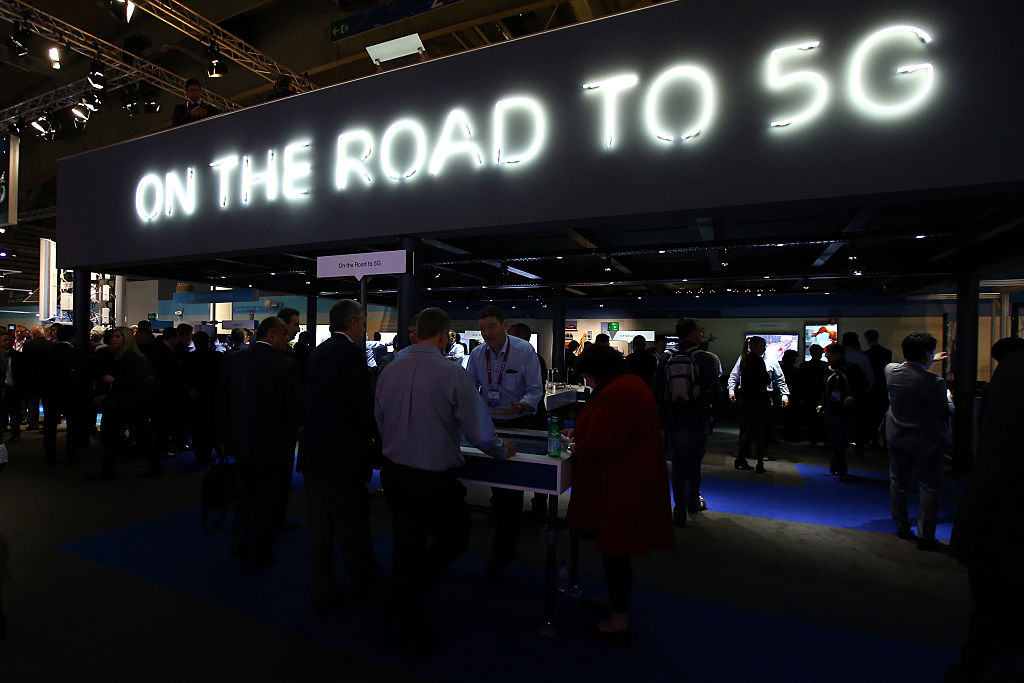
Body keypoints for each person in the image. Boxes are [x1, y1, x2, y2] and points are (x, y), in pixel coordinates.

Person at [374, 307, 515, 654]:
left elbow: (379, 418)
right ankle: (408, 601)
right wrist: (501, 451)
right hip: (433, 479)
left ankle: (402, 603)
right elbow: (480, 431)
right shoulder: (451, 373)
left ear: (417, 332)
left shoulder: (389, 371)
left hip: (394, 473)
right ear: (443, 335)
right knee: (453, 538)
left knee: (407, 542)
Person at [565, 344, 673, 643]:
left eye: (587, 375)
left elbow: (603, 444)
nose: (586, 381)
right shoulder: (627, 385)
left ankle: (618, 619)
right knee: (615, 550)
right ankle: (612, 600)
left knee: (616, 549)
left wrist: (576, 445)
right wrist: (581, 433)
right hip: (624, 480)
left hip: (621, 484)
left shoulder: (620, 392)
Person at [301, 300, 380, 613]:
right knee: (353, 526)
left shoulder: (317, 352)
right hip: (343, 458)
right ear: (353, 324)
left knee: (320, 529)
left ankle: (324, 588)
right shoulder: (350, 354)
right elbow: (361, 405)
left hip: (315, 454)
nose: (363, 329)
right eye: (362, 323)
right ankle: (363, 585)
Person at [955, 338, 1024, 680]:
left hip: (992, 511)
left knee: (990, 605)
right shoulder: (1015, 373)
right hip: (1003, 514)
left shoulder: (1010, 374)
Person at [216, 316, 302, 569]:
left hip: (241, 440)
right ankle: (260, 548)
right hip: (274, 444)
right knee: (268, 496)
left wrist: (221, 438)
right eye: (285, 336)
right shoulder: (285, 365)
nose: (288, 341)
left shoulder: (233, 360)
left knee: (245, 492)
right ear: (272, 335)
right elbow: (294, 408)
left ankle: (241, 541)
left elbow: (221, 403)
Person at [466, 305, 543, 578]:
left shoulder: (524, 351)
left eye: (492, 327)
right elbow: (469, 389)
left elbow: (536, 389)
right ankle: (504, 540)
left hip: (519, 423)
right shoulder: (476, 354)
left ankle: (504, 548)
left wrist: (521, 406)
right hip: (491, 424)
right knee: (499, 490)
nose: (487, 333)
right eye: (483, 328)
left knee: (512, 489)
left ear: (504, 325)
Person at [884, 332, 953, 551]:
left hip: (897, 437)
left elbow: (907, 369)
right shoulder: (936, 383)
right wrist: (950, 399)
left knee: (898, 483)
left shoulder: (891, 372)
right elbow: (944, 412)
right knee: (929, 487)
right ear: (927, 353)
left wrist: (928, 360)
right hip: (927, 441)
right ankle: (926, 535)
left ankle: (901, 525)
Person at [653, 318, 722, 526]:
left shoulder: (666, 358)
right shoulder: (704, 358)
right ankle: (693, 500)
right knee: (695, 463)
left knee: (678, 464)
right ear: (693, 333)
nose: (702, 334)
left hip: (674, 419)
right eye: (700, 331)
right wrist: (704, 405)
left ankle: (679, 509)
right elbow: (717, 391)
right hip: (698, 418)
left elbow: (656, 390)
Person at [94, 326, 153, 478]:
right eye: (114, 336)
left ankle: (108, 470)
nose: (114, 339)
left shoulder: (129, 357)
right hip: (125, 403)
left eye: (118, 337)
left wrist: (115, 381)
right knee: (132, 436)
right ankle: (153, 467)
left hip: (129, 404)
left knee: (126, 436)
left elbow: (136, 381)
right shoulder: (120, 357)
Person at [508, 322, 551, 520]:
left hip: (531, 420)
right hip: (523, 420)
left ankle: (539, 507)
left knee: (537, 465)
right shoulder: (533, 358)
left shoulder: (532, 359)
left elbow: (532, 391)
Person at [728, 336, 790, 472]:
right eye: (762, 346)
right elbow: (768, 379)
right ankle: (759, 460)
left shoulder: (744, 359)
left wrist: (732, 390)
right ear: (753, 346)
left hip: (746, 398)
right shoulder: (759, 361)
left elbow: (736, 376)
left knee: (747, 430)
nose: (764, 348)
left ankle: (742, 457)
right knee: (761, 430)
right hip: (760, 399)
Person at [815, 343, 868, 479]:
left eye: (829, 353)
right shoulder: (828, 369)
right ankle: (841, 468)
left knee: (844, 437)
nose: (826, 355)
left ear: (838, 354)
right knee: (836, 437)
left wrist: (853, 396)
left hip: (848, 408)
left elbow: (862, 386)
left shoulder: (852, 369)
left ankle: (836, 462)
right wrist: (822, 403)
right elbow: (825, 389)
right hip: (833, 408)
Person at [184, 331, 222, 467]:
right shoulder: (217, 357)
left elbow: (186, 378)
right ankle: (212, 451)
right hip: (212, 397)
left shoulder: (189, 358)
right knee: (210, 426)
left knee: (197, 428)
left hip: (196, 398)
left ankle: (200, 453)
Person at [863, 329, 892, 449]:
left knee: (871, 417)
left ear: (867, 339)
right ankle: (885, 442)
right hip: (884, 387)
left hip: (871, 388)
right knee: (883, 416)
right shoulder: (887, 353)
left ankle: (874, 441)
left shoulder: (866, 354)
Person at [797, 344, 828, 445]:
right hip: (821, 394)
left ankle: (812, 438)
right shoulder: (825, 366)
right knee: (822, 418)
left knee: (810, 417)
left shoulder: (804, 366)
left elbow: (800, 382)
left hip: (808, 394)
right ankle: (823, 438)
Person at [0, 330, 22, 443]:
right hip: (3, 387)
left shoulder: (17, 356)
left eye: (9, 340)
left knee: (14, 411)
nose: (8, 342)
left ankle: (15, 432)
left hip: (13, 387)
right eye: (5, 340)